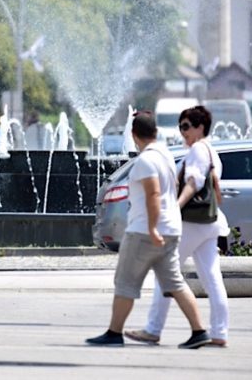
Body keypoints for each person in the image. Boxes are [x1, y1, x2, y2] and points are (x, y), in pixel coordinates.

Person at [85, 110, 211, 349]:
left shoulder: (145, 160)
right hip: (171, 229)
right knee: (175, 282)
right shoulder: (165, 154)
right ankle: (199, 330)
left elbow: (153, 193)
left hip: (145, 232)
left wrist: (152, 228)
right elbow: (171, 187)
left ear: (134, 135)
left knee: (125, 283)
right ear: (155, 131)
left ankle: (114, 332)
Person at [126, 105, 229, 347]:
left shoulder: (197, 151)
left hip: (192, 223)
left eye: (186, 127)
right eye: (180, 126)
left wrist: (176, 206)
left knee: (167, 275)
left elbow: (193, 182)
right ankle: (219, 333)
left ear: (200, 127)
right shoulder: (212, 151)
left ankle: (153, 329)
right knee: (212, 279)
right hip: (210, 222)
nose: (182, 132)